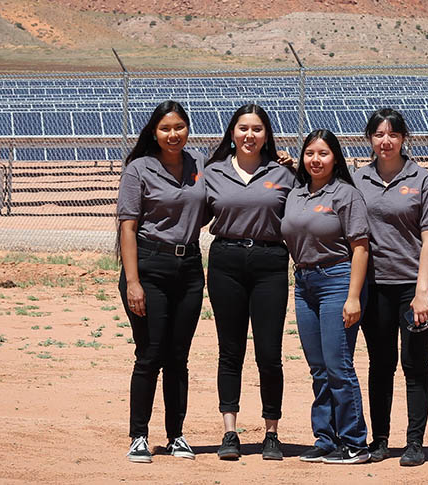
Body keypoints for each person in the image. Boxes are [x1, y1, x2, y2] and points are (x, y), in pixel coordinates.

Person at [204, 104, 296, 461]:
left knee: (269, 353)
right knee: (230, 351)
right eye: (243, 128)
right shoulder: (213, 172)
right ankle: (230, 431)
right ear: (232, 133)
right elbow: (187, 208)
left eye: (257, 129)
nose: (249, 135)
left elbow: (321, 193)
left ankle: (271, 432)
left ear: (267, 135)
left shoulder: (284, 173)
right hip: (225, 261)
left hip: (270, 262)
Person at [116, 100, 206, 463]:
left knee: (178, 358)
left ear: (188, 129)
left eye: (179, 127)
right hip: (149, 266)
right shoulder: (139, 169)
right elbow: (128, 226)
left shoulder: (199, 163)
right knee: (150, 354)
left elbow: (233, 186)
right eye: (166, 128)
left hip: (190, 269)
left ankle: (176, 435)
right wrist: (133, 282)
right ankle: (139, 435)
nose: (173, 134)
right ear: (154, 132)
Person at [352, 108, 428, 467]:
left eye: (392, 134)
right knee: (380, 363)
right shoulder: (359, 179)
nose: (385, 141)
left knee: (415, 363)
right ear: (370, 139)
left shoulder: (422, 180)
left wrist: (422, 293)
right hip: (376, 287)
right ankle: (380, 439)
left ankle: (415, 442)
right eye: (378, 134)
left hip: (415, 288)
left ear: (403, 138)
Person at [280, 129, 371, 464]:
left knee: (338, 364)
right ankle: (325, 438)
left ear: (336, 158)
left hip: (337, 279)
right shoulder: (296, 193)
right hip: (304, 282)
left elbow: (360, 248)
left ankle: (354, 442)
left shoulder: (345, 194)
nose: (315, 160)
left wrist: (353, 297)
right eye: (310, 154)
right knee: (318, 367)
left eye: (323, 154)